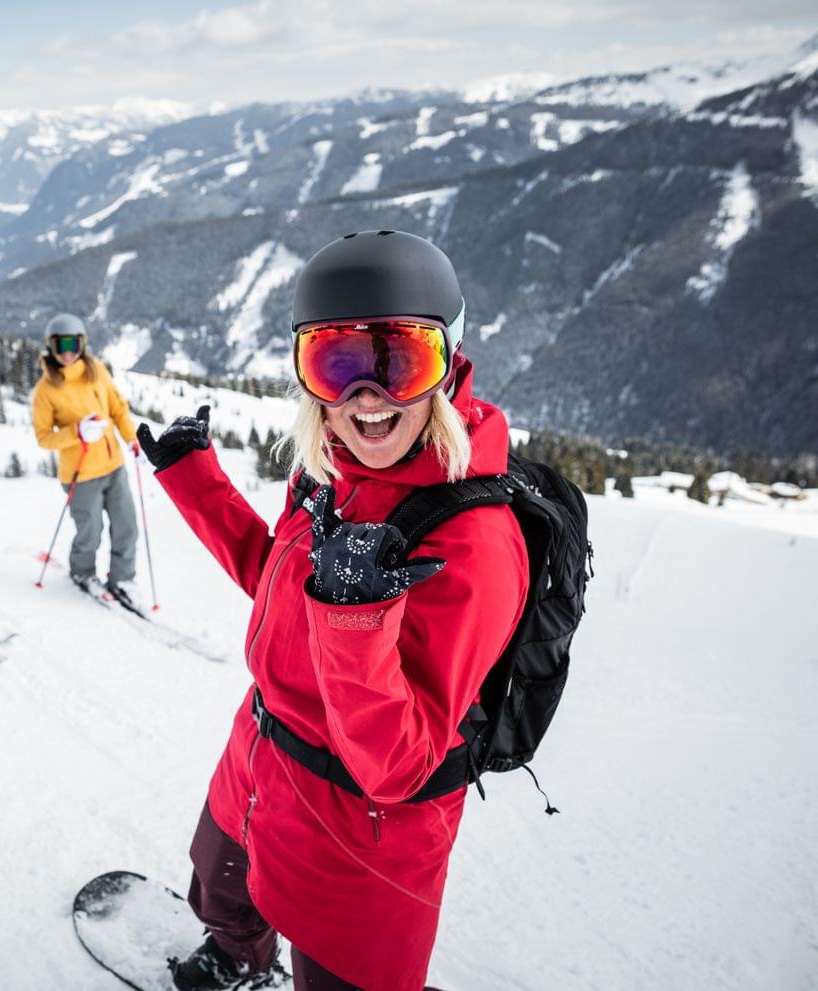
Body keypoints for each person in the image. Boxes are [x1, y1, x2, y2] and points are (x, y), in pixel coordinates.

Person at [136, 231, 529, 991]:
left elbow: (399, 765)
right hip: (259, 758)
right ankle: (238, 958)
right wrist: (195, 482)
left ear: (445, 368)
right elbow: (277, 586)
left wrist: (357, 621)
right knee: (217, 887)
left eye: (399, 361)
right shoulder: (328, 476)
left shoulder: (474, 540)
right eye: (336, 362)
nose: (366, 399)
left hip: (363, 831)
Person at [30, 313, 143, 609]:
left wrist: (131, 437)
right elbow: (44, 437)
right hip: (80, 474)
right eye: (60, 345)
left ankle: (122, 578)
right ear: (51, 347)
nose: (67, 352)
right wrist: (76, 432)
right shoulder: (46, 389)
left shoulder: (97, 371)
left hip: (113, 464)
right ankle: (82, 573)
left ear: (82, 344)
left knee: (127, 525)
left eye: (73, 343)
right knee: (90, 532)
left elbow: (118, 406)